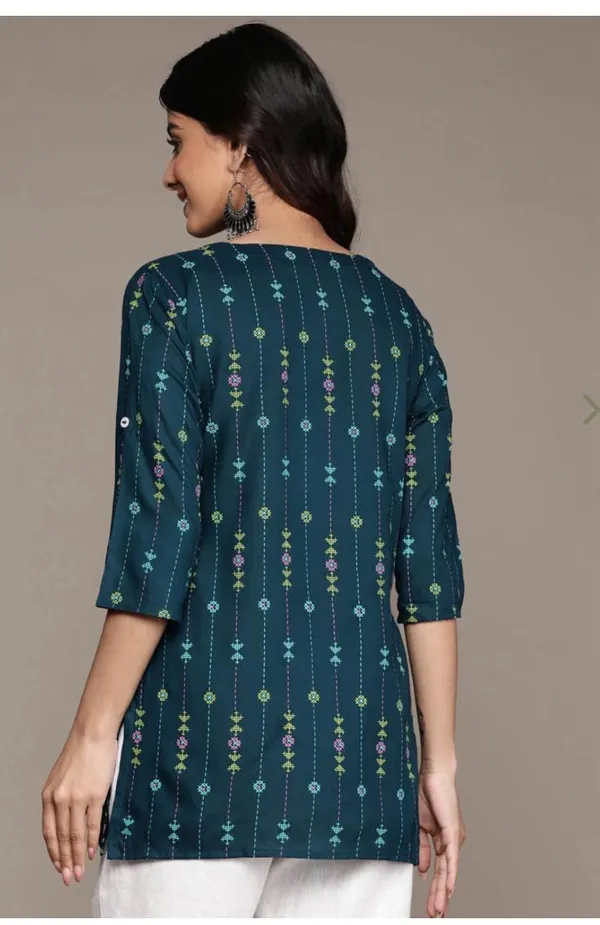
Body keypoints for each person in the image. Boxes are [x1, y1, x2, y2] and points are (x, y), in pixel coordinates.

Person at [41, 21, 467, 919]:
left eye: (177, 140)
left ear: (239, 143)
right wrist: (438, 767)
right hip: (364, 776)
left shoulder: (173, 296)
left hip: (199, 764)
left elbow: (159, 537)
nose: (168, 172)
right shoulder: (401, 321)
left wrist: (91, 736)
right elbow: (427, 570)